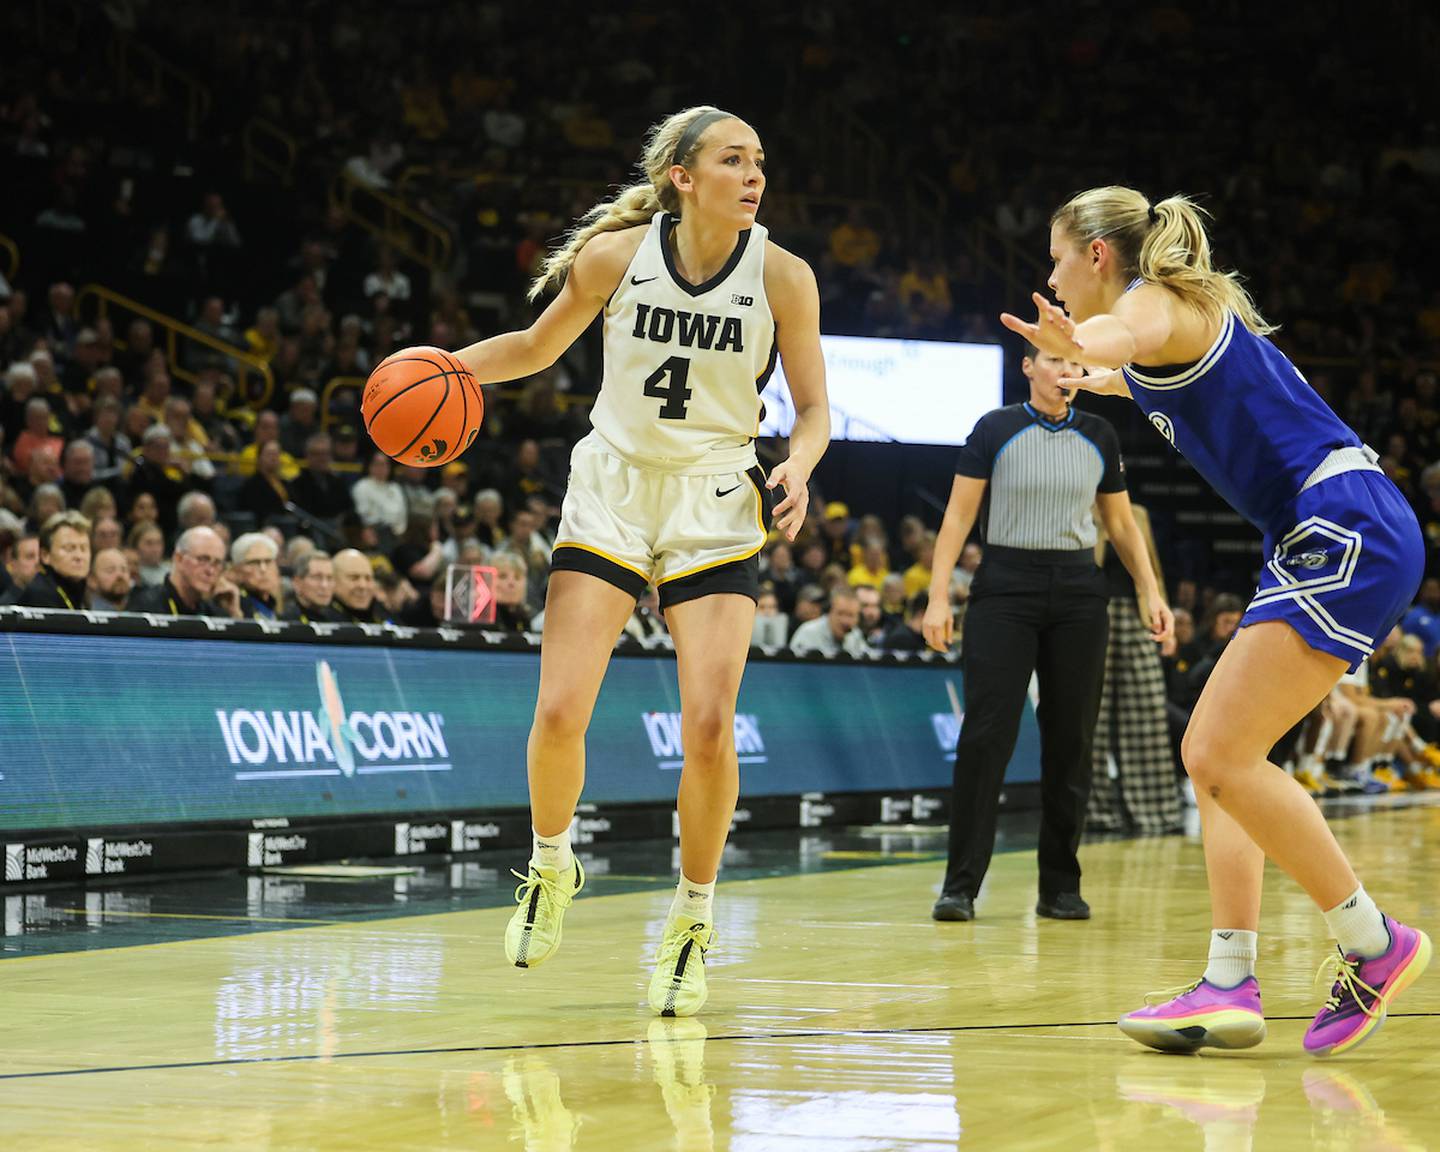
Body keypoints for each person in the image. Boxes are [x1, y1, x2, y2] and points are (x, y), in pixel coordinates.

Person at [1002, 186, 1430, 1056]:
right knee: (1225, 763)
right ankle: (1229, 981)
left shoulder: (1152, 303)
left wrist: (1080, 346)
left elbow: (1124, 335)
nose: (1051, 276)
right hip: (1332, 526)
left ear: (1095, 255)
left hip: (1340, 523)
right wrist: (1096, 373)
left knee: (1214, 753)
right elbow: (1137, 365)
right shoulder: (1175, 319)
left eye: (1056, 259)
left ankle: (1373, 941)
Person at [444, 106, 828, 1016]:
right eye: (733, 159)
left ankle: (692, 919)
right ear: (682, 177)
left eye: (759, 160)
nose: (754, 174)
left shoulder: (784, 276)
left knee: (709, 726)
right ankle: (550, 864)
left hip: (715, 496)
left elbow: (814, 410)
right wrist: (439, 367)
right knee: (559, 710)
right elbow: (533, 349)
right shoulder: (615, 257)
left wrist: (800, 466)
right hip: (613, 486)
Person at [924, 342, 1170, 924]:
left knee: (1072, 739)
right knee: (986, 736)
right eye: (1053, 361)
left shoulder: (1100, 434)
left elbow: (1120, 523)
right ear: (1028, 368)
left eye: (1073, 363)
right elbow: (958, 516)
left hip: (1079, 591)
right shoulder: (994, 428)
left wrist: (1149, 589)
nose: (1065, 371)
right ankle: (960, 886)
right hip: (1004, 588)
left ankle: (1060, 885)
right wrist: (937, 596)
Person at [129, 525, 239, 617]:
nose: (210, 571)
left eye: (217, 563)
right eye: (203, 559)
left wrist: (233, 614)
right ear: (179, 559)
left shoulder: (214, 611)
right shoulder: (145, 607)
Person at [16, 511, 91, 609]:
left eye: (84, 548)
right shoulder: (40, 594)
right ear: (45, 555)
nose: (79, 556)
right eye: (69, 548)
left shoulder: (80, 590)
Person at [789, 586, 869, 657]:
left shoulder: (855, 635)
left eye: (851, 615)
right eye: (840, 613)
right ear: (829, 612)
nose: (845, 621)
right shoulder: (808, 632)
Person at [231, 532, 282, 618]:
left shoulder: (276, 606)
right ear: (237, 569)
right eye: (254, 562)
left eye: (268, 561)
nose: (263, 569)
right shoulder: (233, 604)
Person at [331, 548, 388, 623]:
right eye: (354, 578)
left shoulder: (381, 614)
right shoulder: (324, 622)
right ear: (333, 581)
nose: (363, 586)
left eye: (368, 578)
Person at [284, 550, 340, 623]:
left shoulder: (339, 618)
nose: (324, 585)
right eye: (317, 577)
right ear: (297, 583)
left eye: (329, 578)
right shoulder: (284, 620)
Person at [88, 546, 133, 611]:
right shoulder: (87, 613)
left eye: (124, 569)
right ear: (92, 580)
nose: (120, 575)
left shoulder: (142, 608)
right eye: (110, 570)